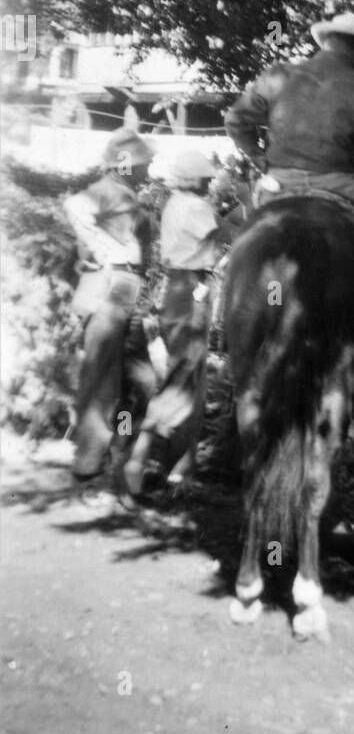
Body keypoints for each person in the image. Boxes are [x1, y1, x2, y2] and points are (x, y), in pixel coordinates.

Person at [224, 12, 354, 378]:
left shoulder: (278, 75)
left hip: (277, 186)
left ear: (324, 42)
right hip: (342, 187)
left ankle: (227, 339)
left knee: (233, 255)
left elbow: (236, 120)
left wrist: (259, 157)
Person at [124, 148, 225, 496]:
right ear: (194, 179)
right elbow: (223, 235)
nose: (211, 182)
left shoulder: (173, 203)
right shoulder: (196, 207)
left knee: (189, 380)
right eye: (207, 178)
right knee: (182, 380)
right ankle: (137, 460)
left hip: (178, 288)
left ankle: (180, 466)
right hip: (192, 289)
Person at [65, 129, 157, 481]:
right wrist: (95, 249)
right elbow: (75, 207)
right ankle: (89, 458)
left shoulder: (124, 194)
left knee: (139, 377)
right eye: (144, 162)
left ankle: (118, 446)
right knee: (104, 376)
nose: (149, 167)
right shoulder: (107, 191)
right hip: (110, 285)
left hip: (124, 286)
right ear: (124, 164)